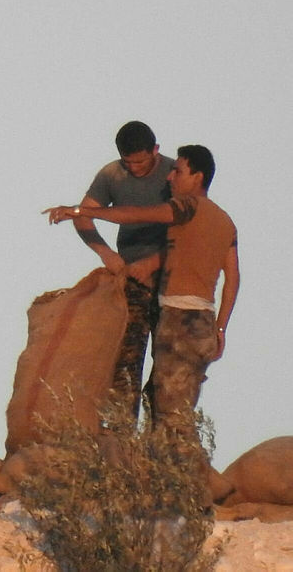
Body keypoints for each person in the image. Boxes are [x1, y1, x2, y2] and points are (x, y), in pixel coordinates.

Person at [44, 145, 240, 473]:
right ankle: (160, 474)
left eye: (178, 171)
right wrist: (221, 327)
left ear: (197, 177)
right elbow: (233, 278)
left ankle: (178, 482)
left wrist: (81, 211)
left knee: (171, 414)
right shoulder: (225, 222)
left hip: (180, 322)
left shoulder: (187, 207)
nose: (171, 177)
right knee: (168, 402)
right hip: (203, 323)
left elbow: (137, 214)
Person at [73, 121, 174, 418]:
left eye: (141, 162)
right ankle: (121, 432)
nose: (135, 168)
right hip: (131, 282)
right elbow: (83, 215)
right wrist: (106, 253)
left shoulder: (174, 175)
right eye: (128, 163)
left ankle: (162, 435)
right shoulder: (112, 175)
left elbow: (192, 228)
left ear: (155, 150)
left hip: (172, 280)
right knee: (125, 363)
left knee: (169, 366)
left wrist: (154, 263)